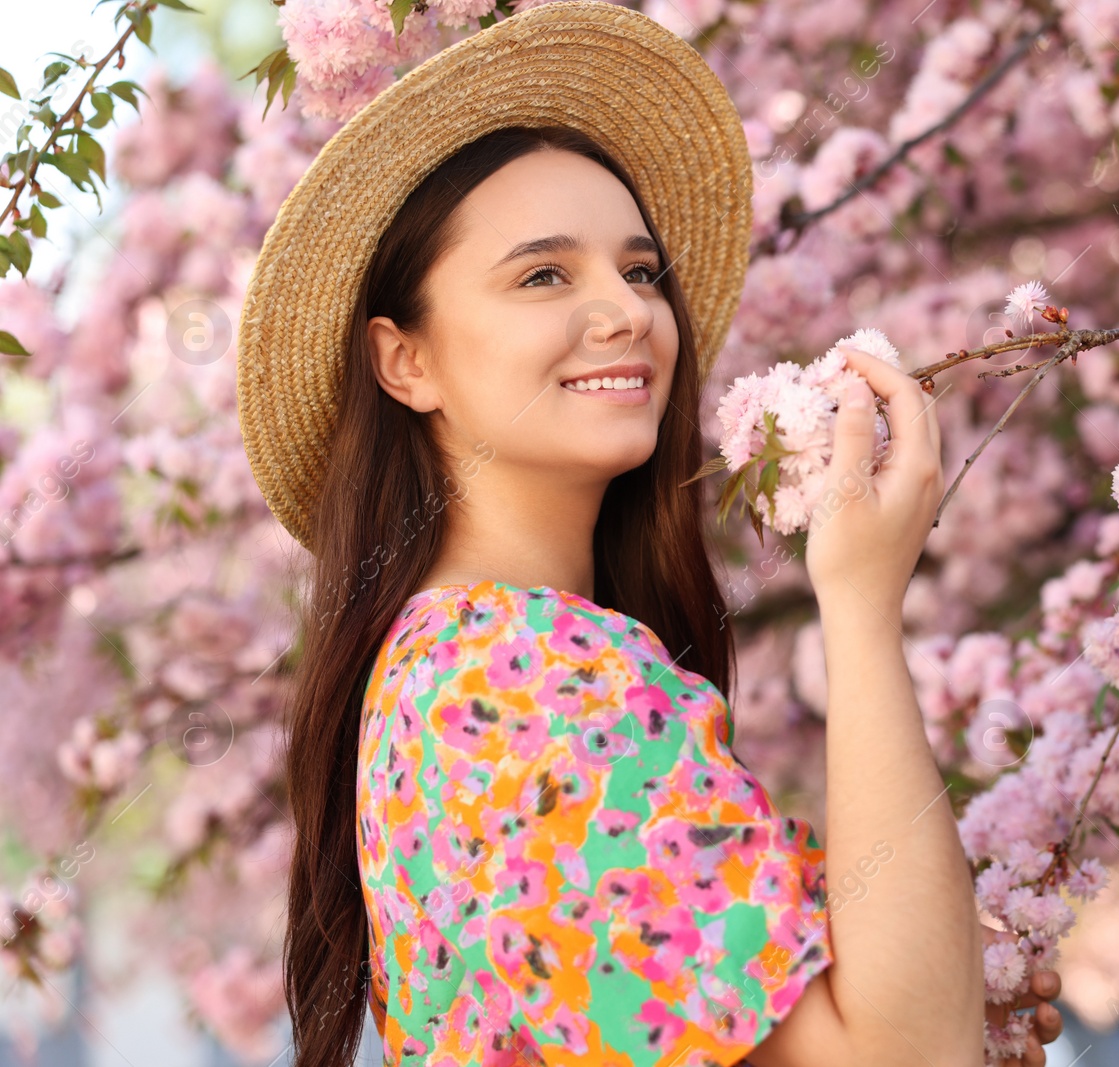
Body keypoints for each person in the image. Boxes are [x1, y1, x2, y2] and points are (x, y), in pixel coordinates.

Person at [235, 4, 1064, 1066]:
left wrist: (952, 980)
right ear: (406, 362)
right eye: (543, 274)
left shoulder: (461, 665)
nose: (626, 311)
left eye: (639, 271)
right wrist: (859, 605)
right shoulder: (517, 676)